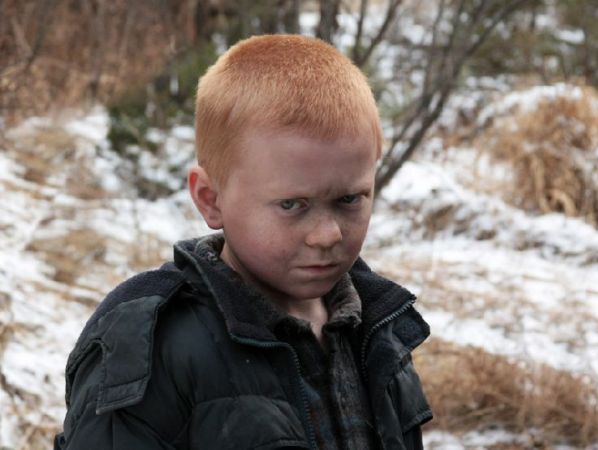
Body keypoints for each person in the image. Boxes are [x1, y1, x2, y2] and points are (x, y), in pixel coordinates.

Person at [55, 34, 432, 450]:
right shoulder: (153, 348)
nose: (328, 234)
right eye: (292, 204)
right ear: (210, 199)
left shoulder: (377, 326)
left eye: (349, 199)